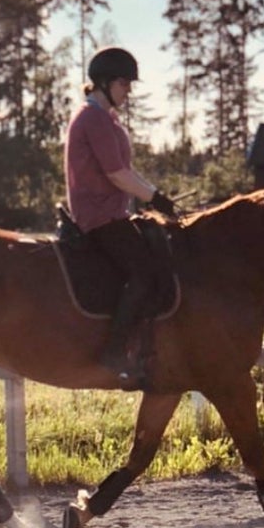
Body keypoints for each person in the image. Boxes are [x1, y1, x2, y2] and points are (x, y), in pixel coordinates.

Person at [64, 46, 177, 386]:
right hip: (99, 217)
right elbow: (116, 175)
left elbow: (126, 171)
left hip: (114, 213)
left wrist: (156, 198)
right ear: (106, 82)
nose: (128, 91)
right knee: (145, 272)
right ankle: (115, 351)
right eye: (125, 84)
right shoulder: (93, 118)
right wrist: (154, 197)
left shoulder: (106, 118)